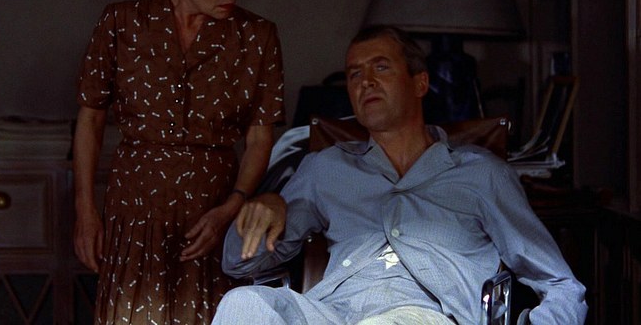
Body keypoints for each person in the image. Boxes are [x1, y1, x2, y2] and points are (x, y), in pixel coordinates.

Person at [214, 25, 588, 325]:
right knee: (243, 302)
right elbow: (238, 262)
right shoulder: (326, 169)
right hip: (333, 312)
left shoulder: (482, 173)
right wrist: (270, 204)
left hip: (428, 314)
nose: (365, 81)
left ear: (420, 83)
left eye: (381, 67)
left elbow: (560, 284)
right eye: (354, 73)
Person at [72, 0, 285, 324]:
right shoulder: (121, 23)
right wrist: (86, 210)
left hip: (212, 213)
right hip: (135, 208)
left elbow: (261, 135)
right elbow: (90, 119)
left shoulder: (257, 36)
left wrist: (231, 208)